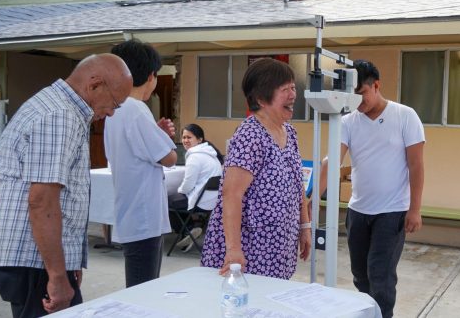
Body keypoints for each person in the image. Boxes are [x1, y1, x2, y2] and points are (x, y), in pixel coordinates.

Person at [0, 54, 132, 317]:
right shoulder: (59, 115)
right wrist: (57, 275)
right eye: (114, 103)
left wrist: (68, 263)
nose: (111, 112)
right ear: (95, 84)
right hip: (31, 258)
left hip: (32, 257)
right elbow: (42, 201)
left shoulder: (58, 107)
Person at [314, 60, 425, 318]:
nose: (358, 102)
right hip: (358, 211)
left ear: (376, 85)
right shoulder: (348, 121)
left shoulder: (405, 116)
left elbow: (416, 166)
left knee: (381, 276)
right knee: (360, 276)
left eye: (362, 94)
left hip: (392, 211)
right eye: (353, 98)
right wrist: (311, 200)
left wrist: (415, 209)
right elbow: (332, 161)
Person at [200, 58, 312, 279]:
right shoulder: (250, 134)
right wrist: (233, 250)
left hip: (278, 248)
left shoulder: (290, 132)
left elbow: (297, 184)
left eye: (293, 87)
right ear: (261, 99)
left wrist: (304, 226)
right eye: (285, 89)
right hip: (249, 250)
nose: (293, 95)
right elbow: (232, 193)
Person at [104, 39, 177, 288]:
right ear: (151, 76)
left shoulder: (115, 109)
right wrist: (164, 137)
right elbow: (169, 157)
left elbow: (138, 147)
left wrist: (155, 134)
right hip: (144, 218)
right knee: (142, 290)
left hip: (131, 212)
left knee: (138, 286)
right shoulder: (136, 109)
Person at [168, 124, 223, 252]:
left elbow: (188, 185)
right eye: (184, 137)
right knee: (175, 201)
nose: (186, 140)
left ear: (199, 139)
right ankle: (191, 228)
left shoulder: (195, 157)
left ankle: (188, 229)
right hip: (214, 200)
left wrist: (179, 191)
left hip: (201, 202)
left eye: (189, 137)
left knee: (165, 201)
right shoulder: (210, 153)